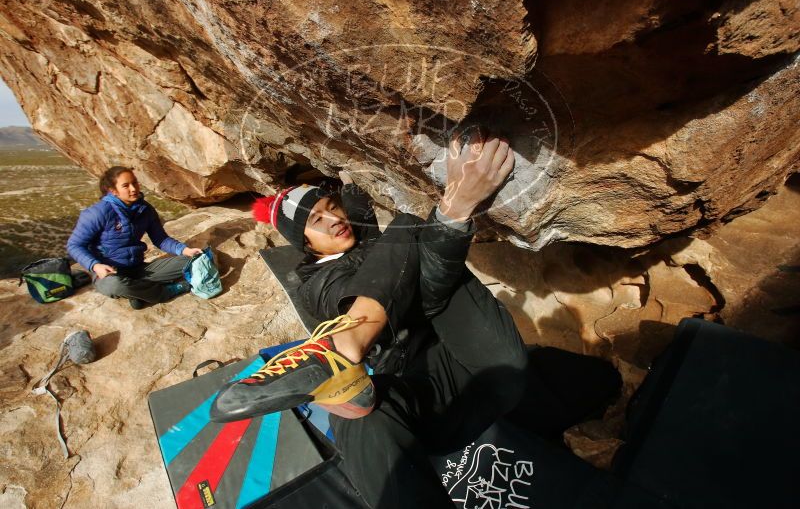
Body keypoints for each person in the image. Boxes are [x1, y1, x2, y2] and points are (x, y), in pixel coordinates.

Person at [212, 130, 531, 507]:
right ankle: (344, 347)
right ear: (306, 244)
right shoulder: (318, 284)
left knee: (408, 231)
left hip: (489, 373)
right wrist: (455, 207)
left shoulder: (368, 239)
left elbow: (355, 194)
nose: (333, 219)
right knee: (357, 412)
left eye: (332, 207)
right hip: (428, 404)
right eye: (317, 219)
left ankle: (341, 359)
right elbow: (417, 285)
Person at [67, 166, 203, 310]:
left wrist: (184, 250)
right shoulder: (98, 213)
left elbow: (160, 239)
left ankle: (138, 293)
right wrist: (95, 265)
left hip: (139, 269)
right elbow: (74, 245)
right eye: (126, 186)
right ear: (113, 191)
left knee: (197, 260)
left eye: (135, 182)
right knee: (114, 285)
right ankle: (164, 291)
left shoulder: (144, 209)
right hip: (111, 273)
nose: (133, 189)